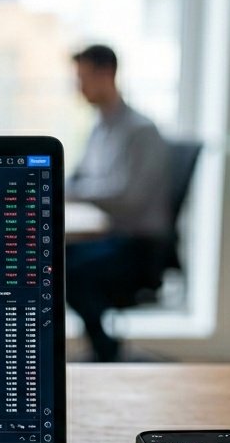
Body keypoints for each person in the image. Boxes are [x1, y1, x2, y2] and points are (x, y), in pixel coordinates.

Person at [65, 44, 171, 362]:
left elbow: (129, 198)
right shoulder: (99, 128)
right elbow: (79, 178)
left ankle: (106, 351)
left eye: (83, 77)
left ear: (107, 74)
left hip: (137, 246)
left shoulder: (141, 131)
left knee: (66, 272)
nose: (79, 87)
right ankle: (102, 348)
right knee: (45, 260)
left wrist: (74, 193)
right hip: (108, 238)